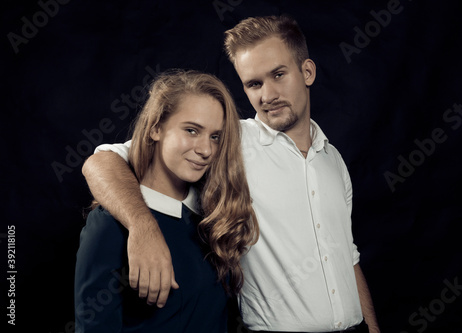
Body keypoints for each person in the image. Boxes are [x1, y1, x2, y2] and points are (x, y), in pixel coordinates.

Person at [82, 15, 380, 333]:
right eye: (254, 84)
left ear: (307, 72)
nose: (267, 95)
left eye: (278, 75)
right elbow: (99, 163)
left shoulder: (333, 160)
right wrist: (143, 227)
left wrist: (372, 327)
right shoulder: (227, 142)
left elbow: (347, 256)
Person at [74, 70, 259, 332]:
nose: (206, 150)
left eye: (215, 136)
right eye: (192, 130)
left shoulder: (211, 216)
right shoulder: (109, 225)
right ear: (156, 128)